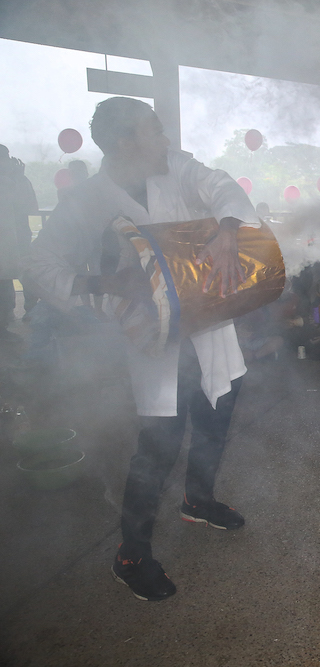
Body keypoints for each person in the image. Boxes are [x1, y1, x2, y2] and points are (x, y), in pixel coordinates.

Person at [23, 97, 260, 601]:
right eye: (154, 129)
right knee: (158, 448)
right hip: (153, 339)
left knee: (216, 416)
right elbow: (39, 263)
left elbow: (222, 186)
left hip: (209, 324)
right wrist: (102, 283)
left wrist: (228, 229)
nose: (166, 138)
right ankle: (131, 555)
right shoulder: (86, 200)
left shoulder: (177, 168)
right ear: (123, 141)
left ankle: (198, 500)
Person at [0, 144, 38, 336]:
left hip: (20, 237)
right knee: (4, 280)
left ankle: (30, 310)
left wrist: (20, 179)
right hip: (4, 241)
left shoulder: (19, 180)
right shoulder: (8, 182)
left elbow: (31, 207)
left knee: (26, 274)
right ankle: (5, 319)